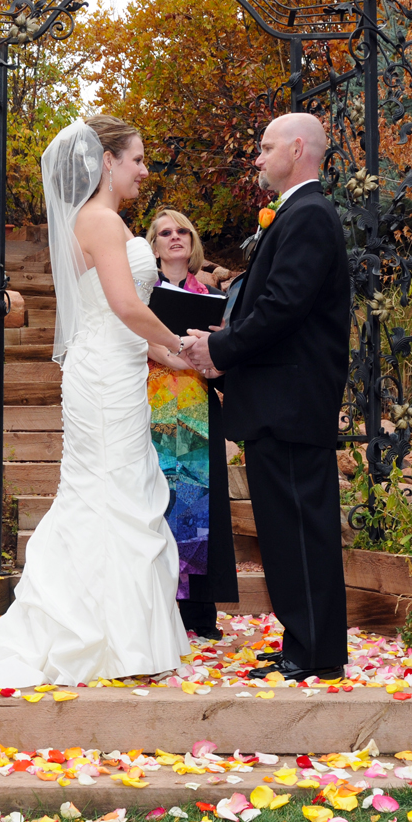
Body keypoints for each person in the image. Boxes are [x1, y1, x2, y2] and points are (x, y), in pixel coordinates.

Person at [0, 115, 194, 687]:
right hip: (105, 378)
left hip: (110, 367)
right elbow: (124, 306)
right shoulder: (102, 222)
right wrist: (181, 340)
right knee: (114, 494)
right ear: (107, 161)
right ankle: (119, 643)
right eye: (137, 158)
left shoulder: (89, 221)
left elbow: (113, 318)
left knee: (109, 491)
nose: (144, 170)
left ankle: (117, 637)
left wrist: (167, 358)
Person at [187, 112, 350, 682]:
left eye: (265, 147)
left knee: (300, 527)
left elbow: (282, 307)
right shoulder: (300, 213)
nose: (257, 157)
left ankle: (315, 653)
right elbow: (272, 306)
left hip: (290, 401)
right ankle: (303, 641)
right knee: (287, 528)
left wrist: (221, 350)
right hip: (282, 400)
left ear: (297, 149)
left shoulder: (308, 214)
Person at [146, 208, 238, 640]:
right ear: (155, 245)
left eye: (183, 229)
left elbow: (224, 344)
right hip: (155, 402)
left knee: (200, 502)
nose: (175, 237)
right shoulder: (143, 291)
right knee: (162, 499)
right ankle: (162, 607)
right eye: (166, 232)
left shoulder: (209, 292)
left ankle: (200, 611)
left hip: (200, 404)